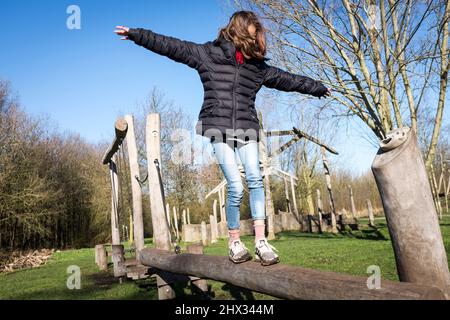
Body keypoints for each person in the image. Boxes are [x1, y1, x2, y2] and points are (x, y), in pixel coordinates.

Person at [115, 11, 331, 266]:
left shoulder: (257, 67)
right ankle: (234, 242)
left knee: (255, 178)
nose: (257, 33)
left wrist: (317, 87)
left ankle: (261, 242)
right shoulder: (208, 54)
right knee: (236, 186)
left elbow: (287, 79)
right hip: (218, 127)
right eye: (254, 28)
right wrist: (137, 35)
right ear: (241, 28)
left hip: (247, 127)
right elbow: (172, 46)